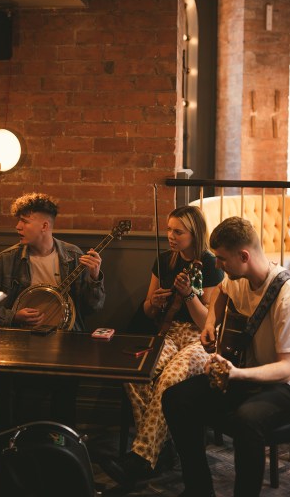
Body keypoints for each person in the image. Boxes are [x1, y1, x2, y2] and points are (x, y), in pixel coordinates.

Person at [162, 216, 290, 497]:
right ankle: (199, 489)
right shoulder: (239, 277)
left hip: (281, 385)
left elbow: (286, 368)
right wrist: (210, 324)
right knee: (175, 398)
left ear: (244, 255)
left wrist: (237, 373)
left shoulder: (285, 297)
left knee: (246, 420)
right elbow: (220, 291)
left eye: (221, 259)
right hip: (245, 372)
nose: (217, 265)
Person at [100, 205, 224, 488]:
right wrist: (153, 304)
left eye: (177, 231)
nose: (170, 236)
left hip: (198, 339)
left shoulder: (211, 265)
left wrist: (189, 294)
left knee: (168, 380)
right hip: (168, 332)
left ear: (194, 234)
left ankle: (141, 458)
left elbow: (208, 322)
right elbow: (147, 309)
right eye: (168, 229)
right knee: (135, 373)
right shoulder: (164, 260)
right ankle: (161, 449)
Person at [0, 192, 106, 427]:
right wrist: (13, 316)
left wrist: (94, 277)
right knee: (0, 381)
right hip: (20, 343)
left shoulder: (73, 256)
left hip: (66, 341)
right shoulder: (6, 260)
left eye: (24, 221)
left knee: (67, 383)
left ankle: (62, 443)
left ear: (44, 225)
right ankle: (8, 441)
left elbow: (93, 307)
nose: (17, 226)